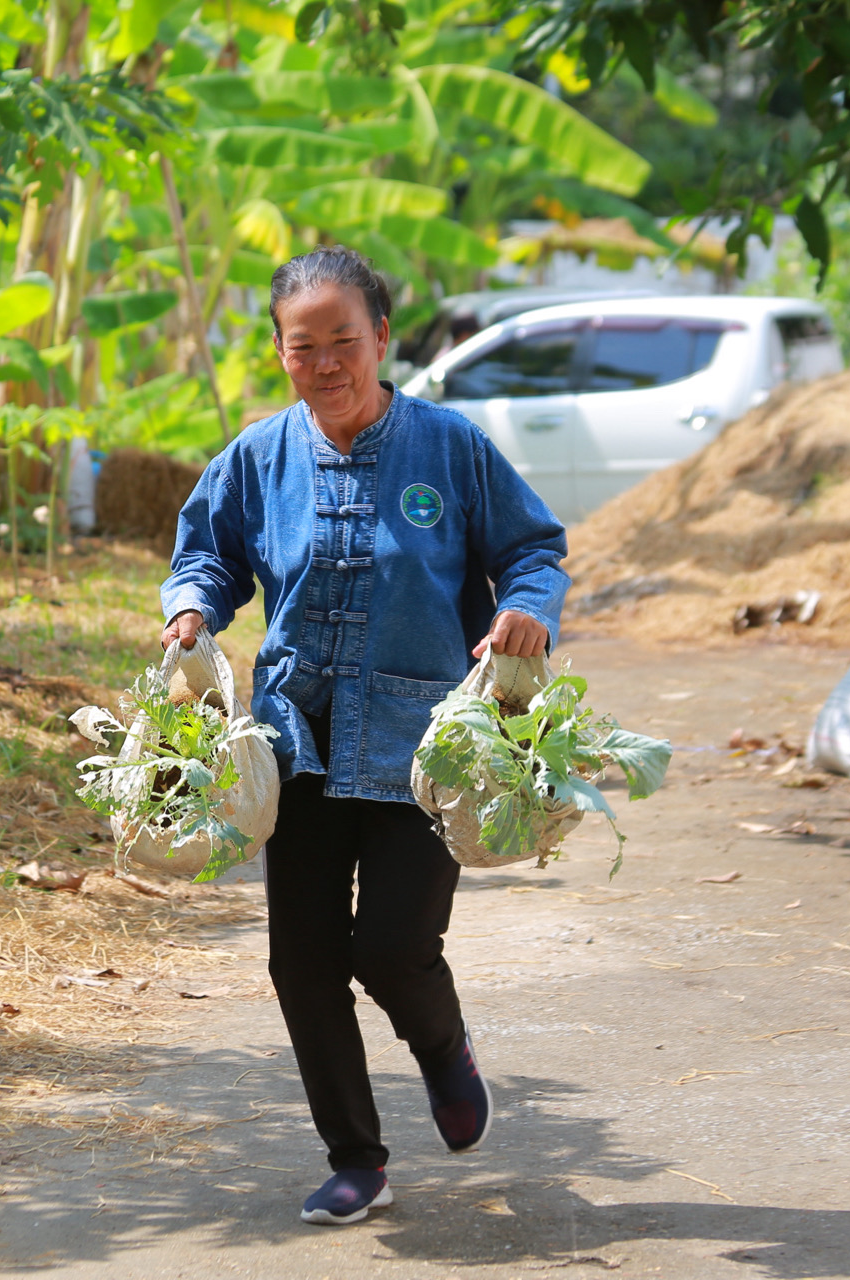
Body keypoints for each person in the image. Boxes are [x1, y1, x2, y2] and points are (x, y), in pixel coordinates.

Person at [159, 246, 568, 1224]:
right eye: (306, 346)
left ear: (382, 339)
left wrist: (527, 607)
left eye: (346, 340)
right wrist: (190, 611)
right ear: (281, 352)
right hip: (297, 736)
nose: (327, 362)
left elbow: (532, 548)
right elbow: (207, 556)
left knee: (390, 946)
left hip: (428, 746)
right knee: (301, 960)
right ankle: (357, 1157)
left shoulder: (450, 447)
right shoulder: (258, 457)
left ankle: (445, 1050)